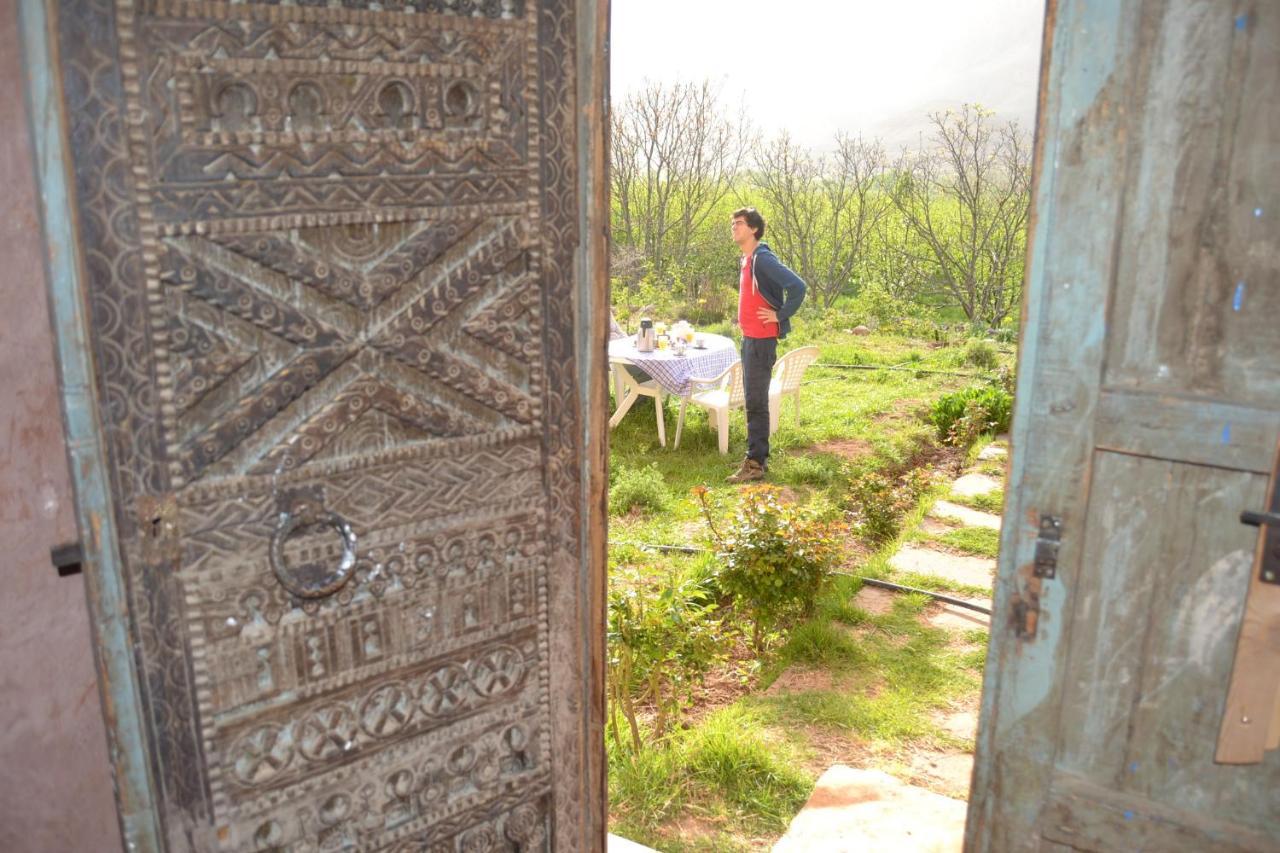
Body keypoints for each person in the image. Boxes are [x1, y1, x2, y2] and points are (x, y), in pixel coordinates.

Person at [726, 207, 806, 483]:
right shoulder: (748, 259)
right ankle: (755, 456)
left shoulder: (763, 260)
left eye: (739, 223)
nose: (734, 227)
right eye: (733, 223)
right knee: (752, 400)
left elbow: (798, 287)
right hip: (750, 339)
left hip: (761, 341)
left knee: (756, 401)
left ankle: (756, 463)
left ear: (754, 229)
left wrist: (780, 314)